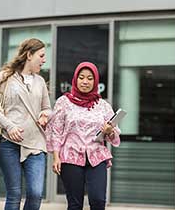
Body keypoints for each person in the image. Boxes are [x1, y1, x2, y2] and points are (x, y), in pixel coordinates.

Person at [45, 62, 121, 210]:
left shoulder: (103, 105)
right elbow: (56, 130)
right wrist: (56, 157)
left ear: (95, 82)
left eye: (90, 78)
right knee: (75, 204)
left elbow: (114, 133)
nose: (85, 81)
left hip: (96, 156)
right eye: (81, 77)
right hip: (70, 156)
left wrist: (108, 131)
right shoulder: (63, 102)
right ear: (75, 79)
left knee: (98, 200)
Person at [0, 38, 51, 210]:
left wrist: (45, 115)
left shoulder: (40, 82)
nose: (44, 60)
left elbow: (47, 108)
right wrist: (9, 126)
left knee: (35, 193)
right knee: (14, 194)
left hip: (35, 143)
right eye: (41, 56)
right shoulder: (5, 77)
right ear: (29, 55)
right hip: (8, 143)